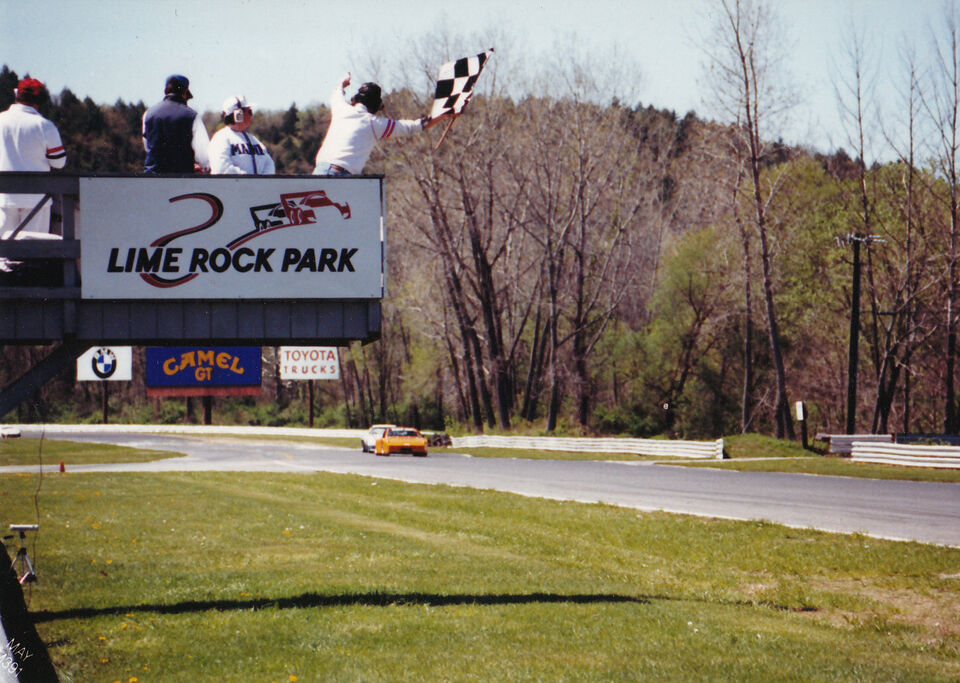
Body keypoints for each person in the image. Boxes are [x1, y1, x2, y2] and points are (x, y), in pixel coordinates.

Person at [313, 73, 432, 176]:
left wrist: (343, 82)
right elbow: (412, 127)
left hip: (320, 171)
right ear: (376, 105)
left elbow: (337, 92)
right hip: (343, 175)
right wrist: (441, 115)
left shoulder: (341, 108)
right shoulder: (374, 123)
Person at [0, 77, 66, 235]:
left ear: (17, 95)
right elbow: (59, 163)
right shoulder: (44, 125)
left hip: (3, 196)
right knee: (32, 251)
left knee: (1, 254)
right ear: (40, 100)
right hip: (36, 199)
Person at [142, 74, 209, 173]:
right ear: (185, 93)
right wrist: (205, 168)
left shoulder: (148, 114)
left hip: (152, 179)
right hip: (181, 179)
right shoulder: (192, 116)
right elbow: (204, 154)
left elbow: (147, 146)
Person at [209, 96, 275, 175]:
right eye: (249, 112)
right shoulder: (220, 138)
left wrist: (260, 182)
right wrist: (249, 181)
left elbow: (269, 164)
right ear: (238, 114)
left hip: (258, 186)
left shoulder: (253, 139)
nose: (251, 115)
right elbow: (221, 168)